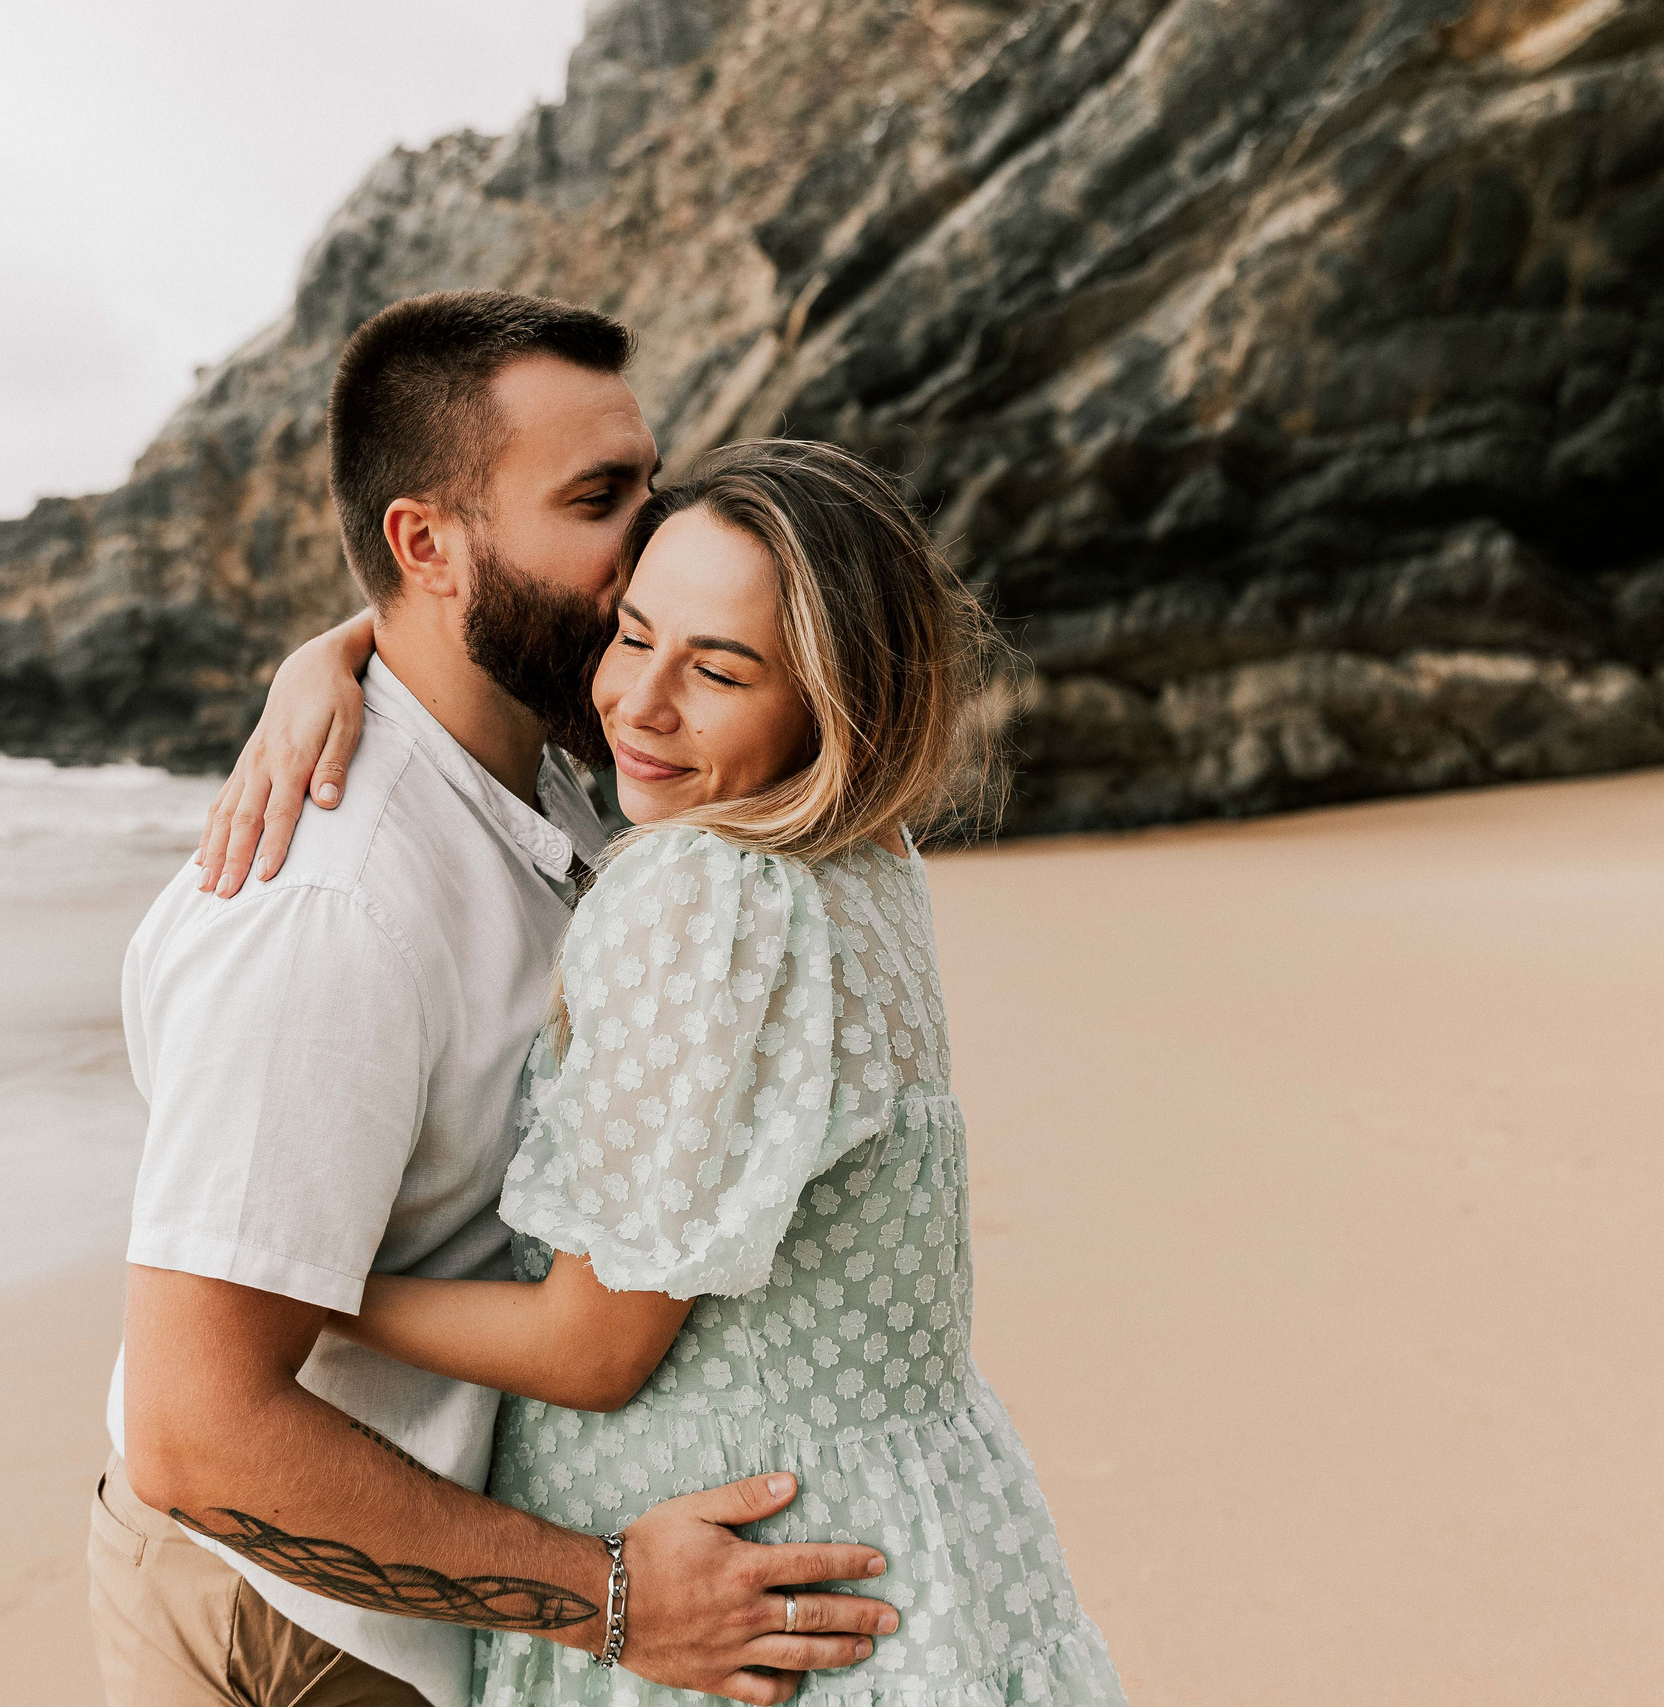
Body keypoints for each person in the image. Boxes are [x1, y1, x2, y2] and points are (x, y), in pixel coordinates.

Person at [218, 439, 1127, 1704]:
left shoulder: (705, 894)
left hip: (719, 1584)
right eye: (634, 634)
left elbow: (592, 1349)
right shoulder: (871, 855)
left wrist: (294, 1283)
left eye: (720, 670)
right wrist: (337, 651)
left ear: (831, 702)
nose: (639, 702)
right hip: (922, 1542)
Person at [93, 292, 900, 1707]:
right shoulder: (326, 912)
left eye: (647, 481)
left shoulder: (568, 755)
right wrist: (614, 1600)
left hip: (443, 1584)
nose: (649, 539)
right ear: (427, 542)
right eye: (599, 499)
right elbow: (194, 1429)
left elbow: (484, 618)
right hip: (306, 1625)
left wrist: (343, 643)